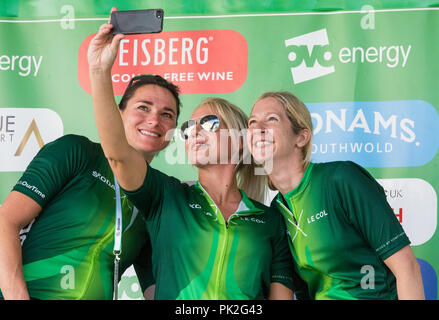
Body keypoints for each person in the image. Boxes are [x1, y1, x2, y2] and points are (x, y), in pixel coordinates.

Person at [88, 13, 295, 300]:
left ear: (238, 144)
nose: (195, 131)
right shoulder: (167, 197)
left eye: (209, 123)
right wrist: (99, 71)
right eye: (187, 127)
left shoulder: (271, 220)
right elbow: (119, 155)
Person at [0, 69, 181, 299]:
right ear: (118, 113)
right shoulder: (77, 151)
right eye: (143, 107)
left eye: (167, 114)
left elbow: (154, 289)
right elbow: (6, 220)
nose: (154, 120)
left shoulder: (157, 196)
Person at [247, 91, 425, 300]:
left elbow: (407, 268)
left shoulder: (341, 179)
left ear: (302, 137)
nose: (257, 129)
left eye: (271, 119)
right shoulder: (276, 212)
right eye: (251, 122)